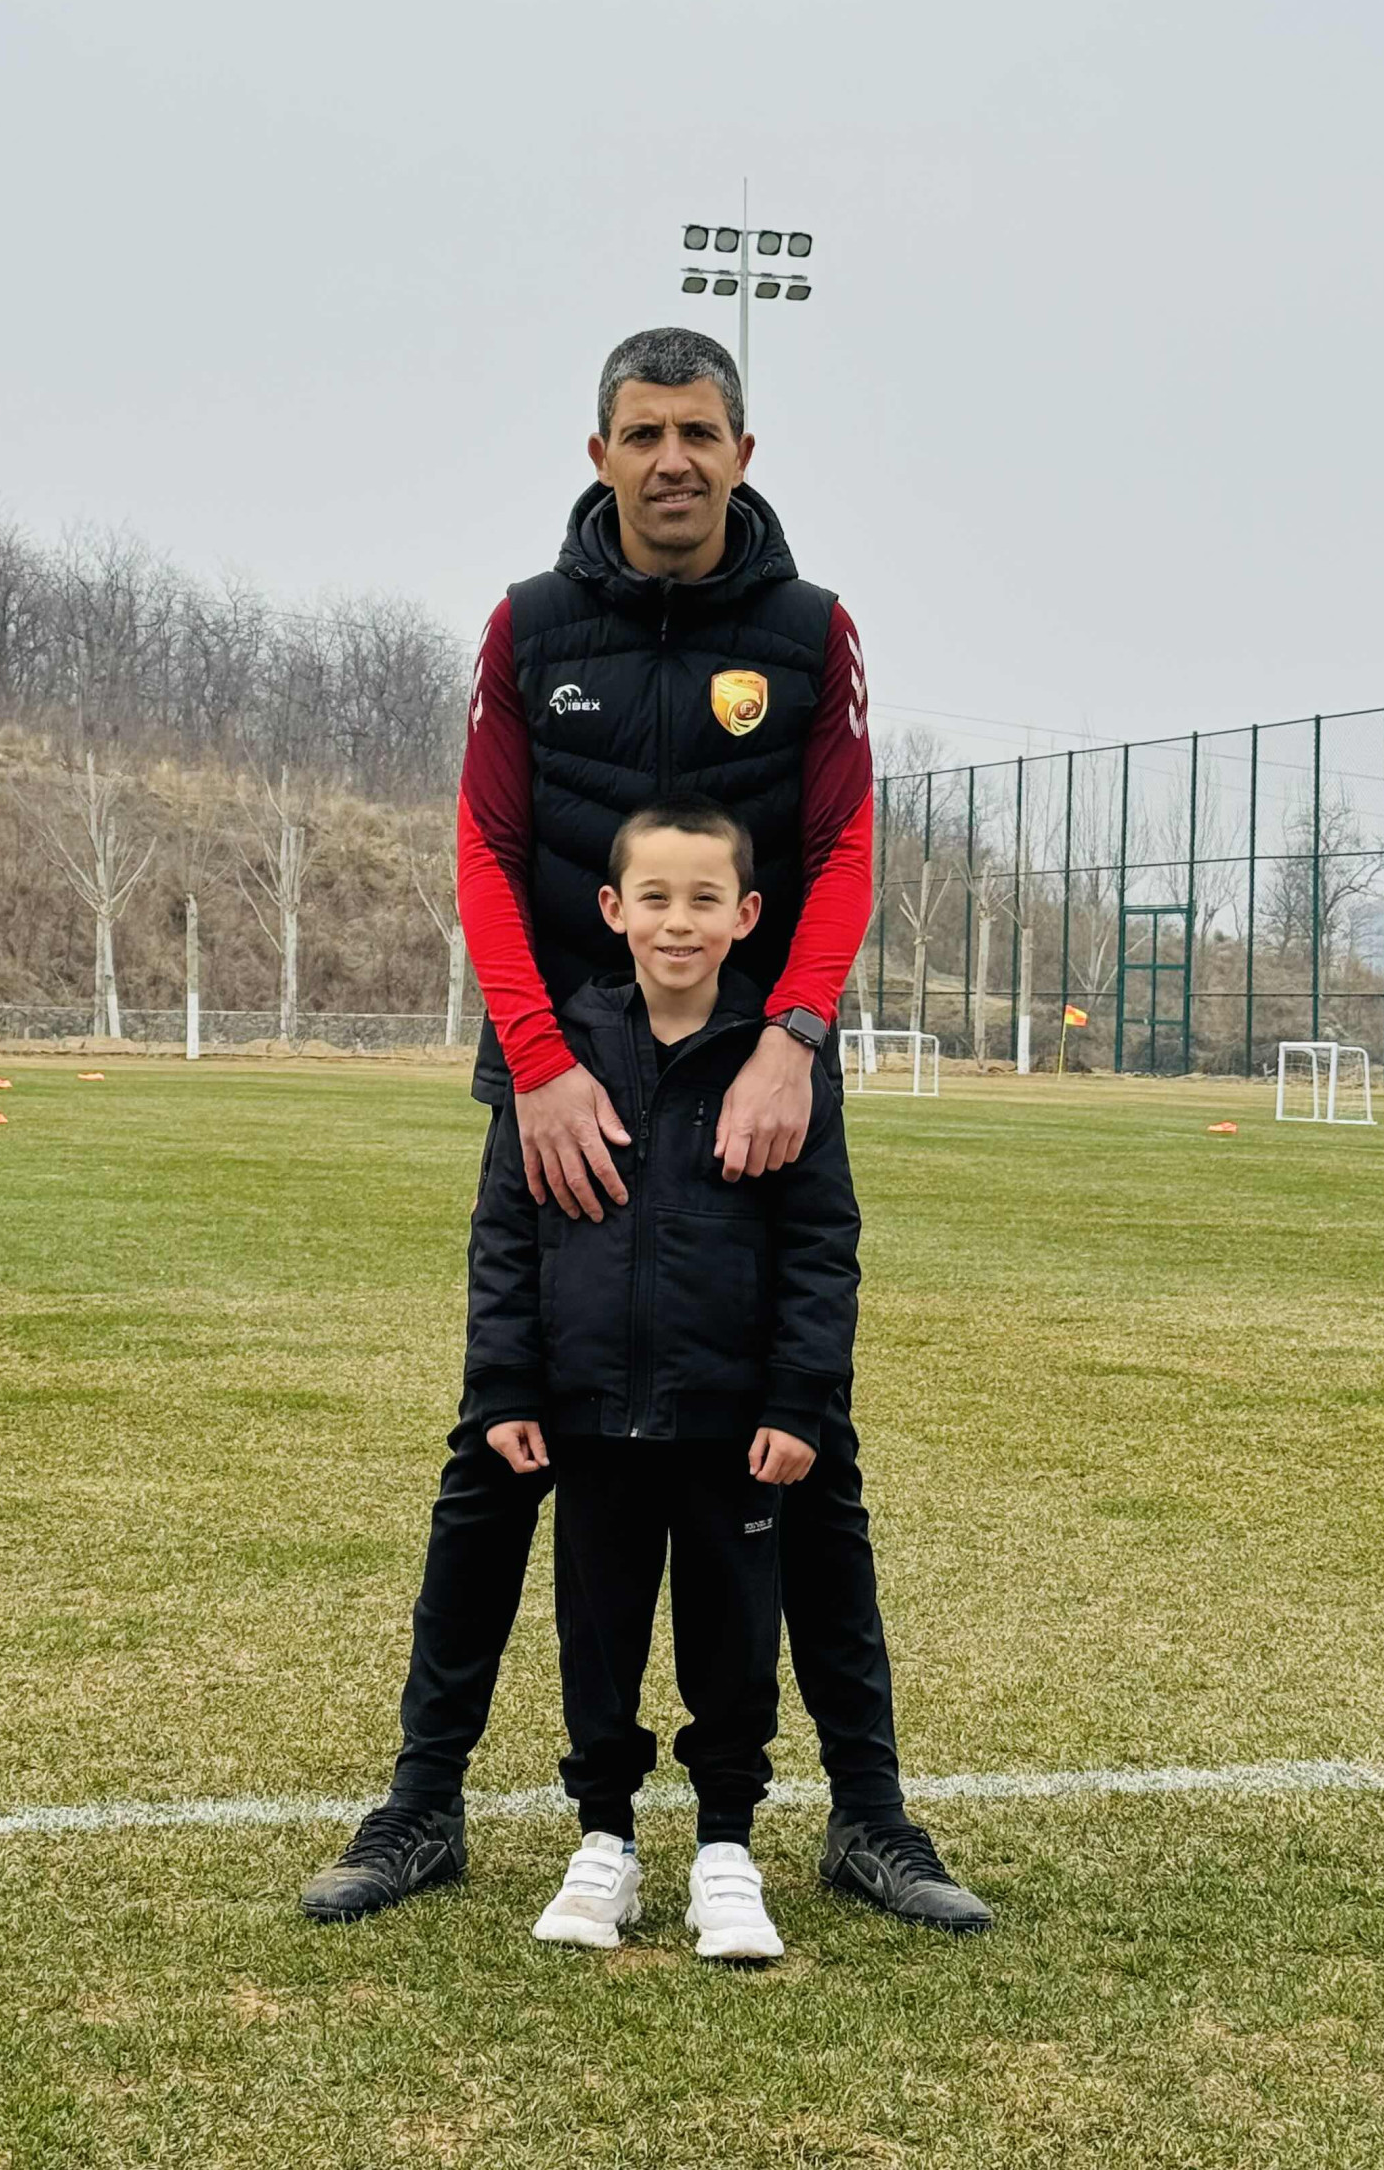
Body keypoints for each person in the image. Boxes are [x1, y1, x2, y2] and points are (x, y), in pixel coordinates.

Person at [301, 327, 991, 1934]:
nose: (671, 457)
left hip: (759, 1082)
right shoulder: (528, 628)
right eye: (642, 431)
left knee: (804, 1446)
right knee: (502, 1443)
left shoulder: (811, 633)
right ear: (598, 451)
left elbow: (841, 845)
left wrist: (795, 1038)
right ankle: (421, 1802)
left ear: (744, 452)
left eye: (698, 430)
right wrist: (538, 1058)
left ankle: (871, 1817)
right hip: (567, 1083)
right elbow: (485, 844)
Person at [468, 794, 859, 1960]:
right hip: (589, 1417)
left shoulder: (776, 1071)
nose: (677, 921)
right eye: (654, 897)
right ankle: (604, 1841)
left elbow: (819, 1244)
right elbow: (505, 1232)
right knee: (597, 1637)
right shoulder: (560, 1059)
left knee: (732, 1640)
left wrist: (795, 1399)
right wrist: (506, 1384)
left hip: (731, 1424)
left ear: (747, 914)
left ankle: (725, 1849)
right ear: (611, 909)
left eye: (702, 899)